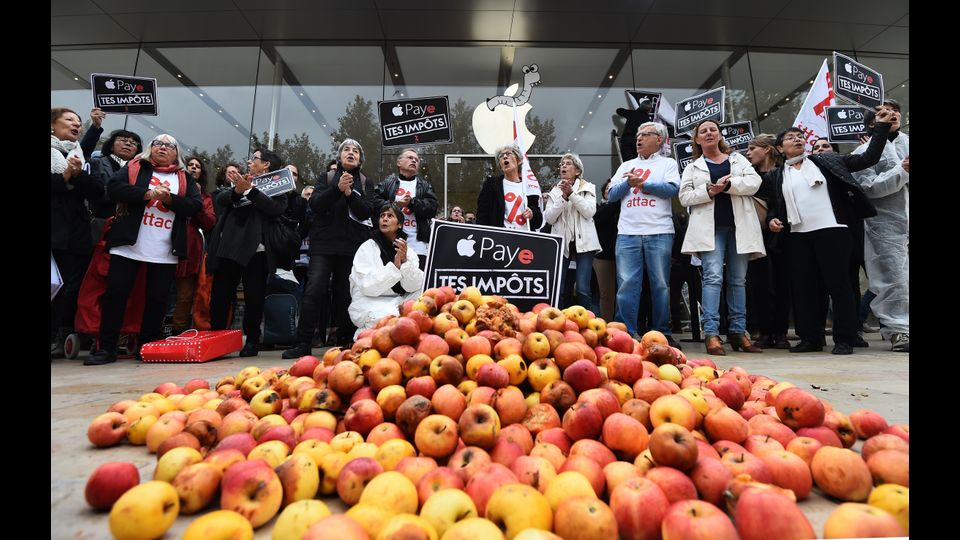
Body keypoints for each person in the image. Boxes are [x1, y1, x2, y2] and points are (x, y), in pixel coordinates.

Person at [764, 108, 895, 355]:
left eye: (800, 135)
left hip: (833, 232)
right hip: (798, 236)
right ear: (780, 148)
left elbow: (868, 158)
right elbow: (774, 207)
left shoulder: (827, 161)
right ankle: (811, 338)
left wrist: (880, 129)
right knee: (805, 290)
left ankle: (845, 339)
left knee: (839, 285)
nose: (797, 138)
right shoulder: (777, 175)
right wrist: (773, 220)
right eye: (791, 137)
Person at [85, 134, 202, 365]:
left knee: (157, 299)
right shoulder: (135, 166)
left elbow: (195, 206)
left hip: (164, 249)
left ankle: (146, 346)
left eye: (169, 145)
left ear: (176, 153)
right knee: (116, 295)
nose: (163, 148)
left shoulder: (184, 177)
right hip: (128, 245)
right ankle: (106, 347)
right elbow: (114, 188)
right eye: (158, 143)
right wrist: (146, 194)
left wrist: (170, 200)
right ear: (150, 148)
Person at [283, 139, 378, 358]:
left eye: (356, 150)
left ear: (361, 159)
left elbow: (366, 212)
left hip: (352, 247)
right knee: (314, 291)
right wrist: (337, 189)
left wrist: (349, 194)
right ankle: (303, 342)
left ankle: (345, 340)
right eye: (347, 149)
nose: (351, 153)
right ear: (339, 156)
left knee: (345, 295)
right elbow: (315, 204)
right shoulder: (325, 178)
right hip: (323, 245)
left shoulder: (365, 182)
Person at [679, 120, 765, 355]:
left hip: (739, 227)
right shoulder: (692, 167)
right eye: (703, 131)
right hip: (711, 229)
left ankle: (738, 332)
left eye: (712, 129)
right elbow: (684, 197)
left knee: (738, 280)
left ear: (719, 135)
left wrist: (729, 185)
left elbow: (754, 182)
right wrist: (708, 191)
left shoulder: (737, 159)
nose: (708, 133)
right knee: (713, 277)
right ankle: (712, 333)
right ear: (697, 139)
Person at [207, 149, 289, 357]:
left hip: (257, 250)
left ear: (266, 165)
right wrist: (237, 190)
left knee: (254, 297)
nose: (250, 161)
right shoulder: (243, 179)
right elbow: (221, 199)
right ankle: (216, 338)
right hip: (229, 246)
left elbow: (276, 209)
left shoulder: (278, 186)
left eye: (254, 158)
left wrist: (251, 192)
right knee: (221, 295)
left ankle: (252, 340)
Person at [606, 122, 681, 347]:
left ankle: (662, 332)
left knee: (660, 284)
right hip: (628, 232)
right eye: (638, 134)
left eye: (645, 134)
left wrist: (645, 184)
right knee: (627, 283)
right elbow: (611, 195)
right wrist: (628, 183)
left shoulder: (668, 164)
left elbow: (672, 190)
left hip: (659, 231)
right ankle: (627, 332)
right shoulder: (626, 165)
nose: (638, 138)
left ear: (659, 140)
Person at [852, 101, 909, 352]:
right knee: (894, 279)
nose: (892, 114)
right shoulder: (862, 153)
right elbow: (870, 188)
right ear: (872, 124)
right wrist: (902, 171)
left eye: (894, 110)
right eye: (883, 112)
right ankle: (899, 331)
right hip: (887, 225)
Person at [51, 107, 105, 359]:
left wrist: (78, 175)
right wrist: (64, 178)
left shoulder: (80, 156)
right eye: (68, 120)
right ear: (52, 125)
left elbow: (96, 191)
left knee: (71, 287)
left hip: (76, 233)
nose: (75, 124)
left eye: (77, 121)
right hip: (55, 230)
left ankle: (62, 334)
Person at [809, 137, 870, 348]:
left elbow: (868, 158)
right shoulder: (807, 171)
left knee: (850, 283)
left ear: (835, 151)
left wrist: (878, 133)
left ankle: (851, 333)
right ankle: (819, 336)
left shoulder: (841, 166)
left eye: (826, 146)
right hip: (821, 233)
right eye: (816, 148)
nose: (821, 150)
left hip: (848, 231)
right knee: (824, 286)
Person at [744, 134, 791, 350]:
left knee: (782, 283)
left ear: (767, 150)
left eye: (753, 148)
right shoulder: (747, 175)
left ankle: (780, 332)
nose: (748, 152)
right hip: (756, 234)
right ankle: (763, 332)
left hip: (782, 233)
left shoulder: (785, 173)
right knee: (759, 284)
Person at [348, 204, 425, 336]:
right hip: (370, 301)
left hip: (399, 300)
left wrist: (405, 263)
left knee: (424, 293)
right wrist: (394, 268)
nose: (384, 219)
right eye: (382, 216)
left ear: (399, 224)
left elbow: (413, 286)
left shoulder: (408, 251)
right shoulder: (367, 248)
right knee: (387, 319)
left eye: (390, 216)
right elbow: (367, 286)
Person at [543, 153, 601, 313]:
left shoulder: (588, 187)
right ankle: (557, 324)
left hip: (585, 244)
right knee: (558, 289)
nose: (563, 166)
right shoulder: (554, 191)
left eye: (568, 164)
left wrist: (572, 194)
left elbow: (589, 212)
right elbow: (549, 218)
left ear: (577, 171)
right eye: (562, 164)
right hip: (562, 244)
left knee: (583, 289)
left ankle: (588, 326)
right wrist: (562, 198)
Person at [170, 157, 217, 334]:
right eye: (190, 165)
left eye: (197, 167)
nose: (193, 169)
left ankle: (177, 331)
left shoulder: (205, 197)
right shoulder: (172, 187)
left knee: (185, 295)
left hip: (190, 248)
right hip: (162, 243)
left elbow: (210, 222)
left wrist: (197, 200)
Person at [374, 148, 439, 270]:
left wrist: (412, 203)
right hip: (391, 243)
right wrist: (395, 205)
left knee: (417, 285)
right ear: (399, 162)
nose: (414, 161)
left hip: (418, 244)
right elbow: (374, 204)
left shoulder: (425, 185)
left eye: (417, 160)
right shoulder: (388, 183)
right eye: (410, 158)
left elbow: (432, 208)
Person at [476, 144, 543, 231]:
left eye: (508, 154)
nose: (504, 157)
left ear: (518, 160)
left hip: (524, 240)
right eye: (501, 156)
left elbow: (538, 222)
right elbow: (482, 215)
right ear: (500, 165)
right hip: (500, 239)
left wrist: (532, 214)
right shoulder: (491, 185)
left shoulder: (528, 185)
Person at [592, 180, 620, 322]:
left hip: (624, 254)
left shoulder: (625, 208)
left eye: (614, 188)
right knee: (606, 294)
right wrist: (616, 202)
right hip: (604, 256)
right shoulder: (599, 208)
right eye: (608, 188)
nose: (610, 191)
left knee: (625, 292)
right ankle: (607, 324)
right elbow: (599, 218)